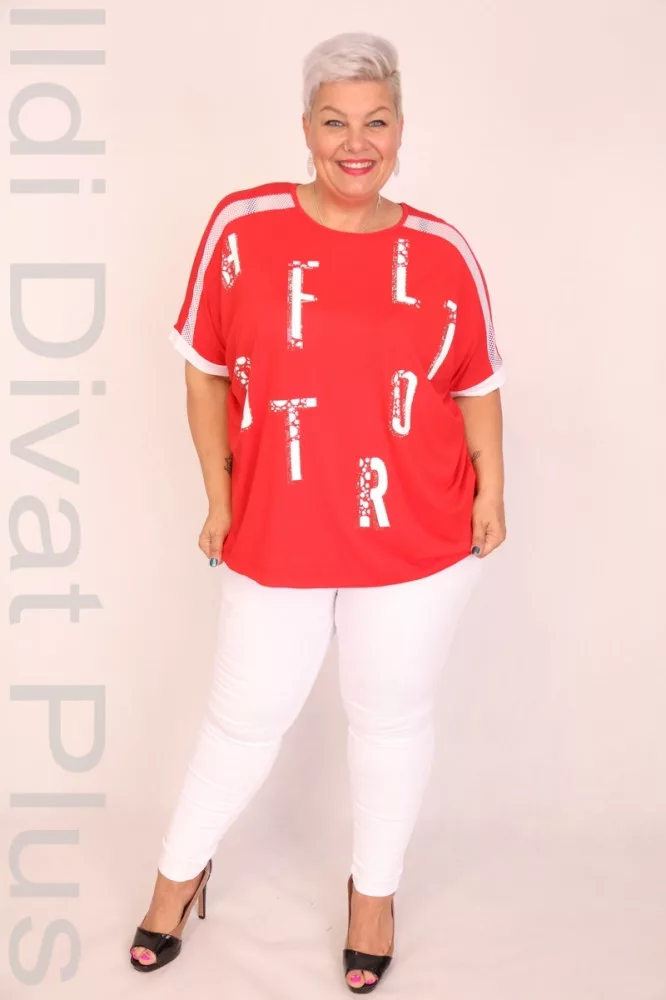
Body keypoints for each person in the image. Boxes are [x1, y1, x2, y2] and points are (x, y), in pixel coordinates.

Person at [128, 30, 507, 993]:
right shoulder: (242, 228)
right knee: (243, 719)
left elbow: (476, 383)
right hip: (280, 526)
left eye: (376, 121)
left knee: (390, 720)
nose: (356, 143)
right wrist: (219, 496)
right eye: (335, 121)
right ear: (305, 128)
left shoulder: (441, 250)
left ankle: (373, 895)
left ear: (401, 129)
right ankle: (178, 877)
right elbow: (205, 372)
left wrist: (493, 492)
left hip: (418, 533)